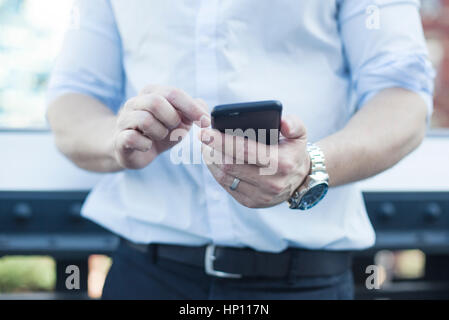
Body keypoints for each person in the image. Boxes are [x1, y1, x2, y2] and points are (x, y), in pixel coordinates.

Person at [46, 0, 434, 300]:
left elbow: (404, 100)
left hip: (305, 283)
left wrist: (308, 167)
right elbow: (72, 102)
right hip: (145, 276)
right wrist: (121, 139)